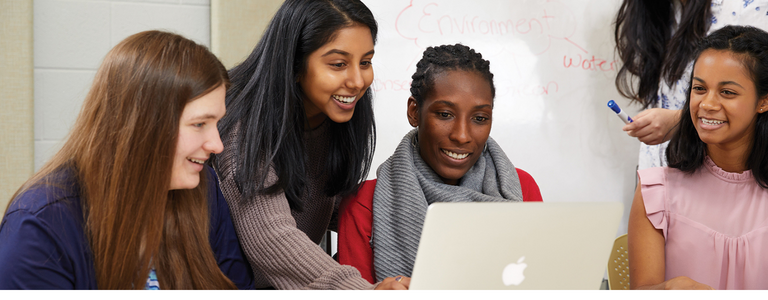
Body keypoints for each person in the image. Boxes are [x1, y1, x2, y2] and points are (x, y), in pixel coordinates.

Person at [0, 31, 254, 289]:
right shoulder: (41, 223)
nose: (217, 145)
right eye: (199, 124)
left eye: (217, 123)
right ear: (141, 126)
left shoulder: (204, 189)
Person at [210, 0, 406, 290]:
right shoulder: (243, 129)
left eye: (365, 62)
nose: (357, 81)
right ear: (294, 63)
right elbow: (272, 236)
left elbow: (336, 203)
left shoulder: (334, 115)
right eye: (338, 64)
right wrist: (363, 292)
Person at [337, 44, 543, 283]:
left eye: (480, 118)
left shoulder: (520, 188)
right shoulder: (363, 203)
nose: (462, 135)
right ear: (415, 112)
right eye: (445, 114)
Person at [628, 25, 768, 290]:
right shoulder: (656, 193)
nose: (707, 104)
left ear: (764, 101)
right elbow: (642, 291)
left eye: (727, 92)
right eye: (700, 89)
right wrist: (667, 290)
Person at [614, 0, 768, 170]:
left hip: (724, 173)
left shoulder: (749, 8)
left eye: (726, 91)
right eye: (699, 88)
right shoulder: (664, 10)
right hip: (665, 167)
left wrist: (679, 121)